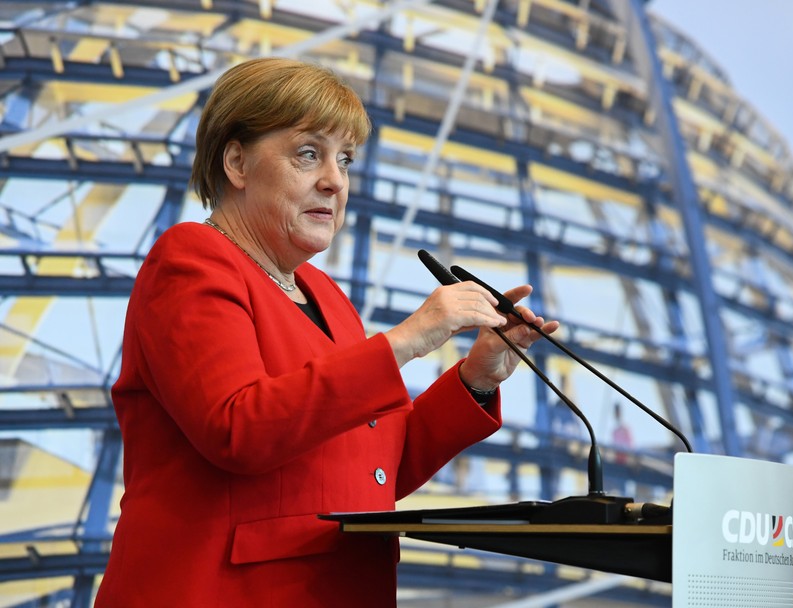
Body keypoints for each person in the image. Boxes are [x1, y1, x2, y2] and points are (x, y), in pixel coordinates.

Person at [94, 57, 558, 607]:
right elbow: (237, 427)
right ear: (237, 162)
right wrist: (407, 339)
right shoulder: (191, 260)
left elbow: (372, 469)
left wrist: (477, 378)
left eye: (345, 159)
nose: (334, 180)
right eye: (308, 153)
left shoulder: (328, 297)